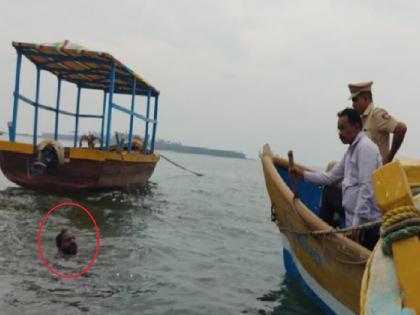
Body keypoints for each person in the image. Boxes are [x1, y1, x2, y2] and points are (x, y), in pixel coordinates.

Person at [292, 108, 382, 250]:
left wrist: (356, 227)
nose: (340, 133)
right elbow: (330, 177)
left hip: (366, 223)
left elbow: (367, 188)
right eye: (338, 129)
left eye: (342, 128)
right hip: (351, 214)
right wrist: (303, 175)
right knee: (329, 191)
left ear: (356, 127)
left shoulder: (365, 148)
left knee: (331, 192)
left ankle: (326, 240)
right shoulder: (351, 150)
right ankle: (325, 237)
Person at [348, 81, 407, 164]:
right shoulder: (362, 120)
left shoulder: (376, 114)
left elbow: (401, 128)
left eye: (355, 100)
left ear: (365, 98)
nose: (353, 104)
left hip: (377, 172)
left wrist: (389, 158)